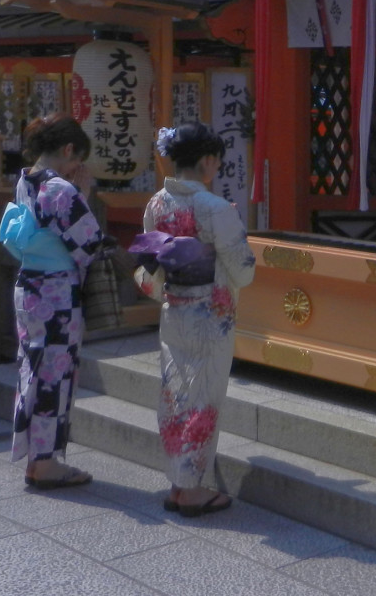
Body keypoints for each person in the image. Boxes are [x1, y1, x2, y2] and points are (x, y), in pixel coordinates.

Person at [139, 121, 255, 517]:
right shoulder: (215, 208)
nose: (217, 167)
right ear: (207, 160)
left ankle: (179, 482)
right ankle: (191, 490)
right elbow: (243, 270)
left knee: (175, 393)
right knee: (204, 396)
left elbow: (151, 261)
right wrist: (235, 229)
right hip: (211, 315)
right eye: (217, 161)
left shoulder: (156, 204)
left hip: (175, 308)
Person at [9, 113, 107, 489]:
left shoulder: (26, 180)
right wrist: (83, 194)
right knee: (54, 373)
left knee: (33, 370)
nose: (77, 167)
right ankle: (46, 463)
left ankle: (37, 458)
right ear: (68, 150)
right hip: (56, 292)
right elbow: (89, 242)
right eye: (77, 159)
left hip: (29, 285)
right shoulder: (60, 189)